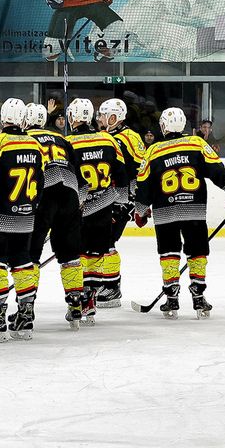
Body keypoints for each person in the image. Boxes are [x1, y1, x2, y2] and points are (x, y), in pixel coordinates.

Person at [134, 107, 225, 318]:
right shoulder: (196, 143)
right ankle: (198, 296)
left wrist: (140, 212)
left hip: (164, 211)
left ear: (164, 126)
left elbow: (143, 186)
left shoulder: (153, 151)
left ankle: (171, 297)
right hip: (194, 210)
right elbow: (218, 171)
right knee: (197, 252)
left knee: (169, 252)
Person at [0, 98, 45, 341]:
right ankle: (25, 316)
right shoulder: (35, 145)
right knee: (22, 263)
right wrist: (31, 208)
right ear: (23, 119)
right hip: (26, 217)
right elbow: (41, 182)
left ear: (2, 118)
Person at [22, 101, 86, 327]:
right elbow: (82, 179)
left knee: (30, 255)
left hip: (43, 197)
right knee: (70, 255)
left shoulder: (24, 139)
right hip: (69, 194)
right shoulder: (61, 139)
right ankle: (76, 303)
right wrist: (78, 203)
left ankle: (26, 307)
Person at [65, 98, 129, 324]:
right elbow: (121, 175)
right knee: (95, 256)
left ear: (72, 117)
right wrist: (121, 203)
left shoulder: (67, 143)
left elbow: (65, 178)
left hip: (79, 211)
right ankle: (90, 301)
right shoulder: (108, 139)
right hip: (104, 208)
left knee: (76, 258)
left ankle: (77, 301)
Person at [95, 97, 146, 307]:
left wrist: (132, 200)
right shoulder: (105, 136)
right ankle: (102, 281)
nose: (100, 118)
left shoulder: (130, 137)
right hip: (106, 199)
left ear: (114, 117)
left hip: (121, 201)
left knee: (107, 242)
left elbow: (141, 170)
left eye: (104, 115)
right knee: (99, 242)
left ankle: (112, 287)